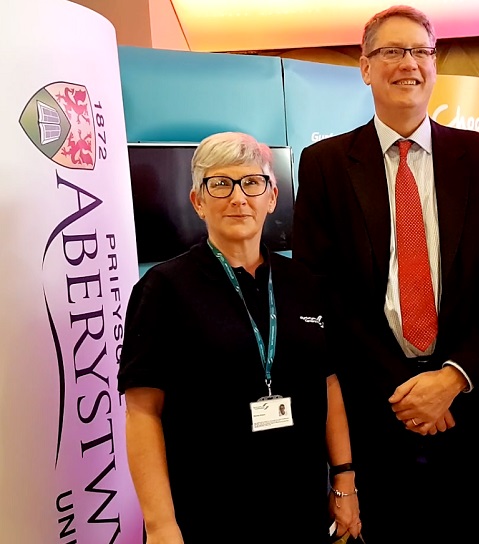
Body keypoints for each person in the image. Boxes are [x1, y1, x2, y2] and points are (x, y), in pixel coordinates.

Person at [292, 5, 479, 543]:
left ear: (434, 64)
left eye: (420, 51)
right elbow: (322, 290)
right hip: (375, 415)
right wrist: (406, 390)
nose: (408, 64)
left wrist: (451, 378)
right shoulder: (325, 164)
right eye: (392, 51)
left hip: (469, 409)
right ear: (365, 67)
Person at [118, 132, 361, 543]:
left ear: (271, 197)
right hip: (207, 515)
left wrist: (344, 480)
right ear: (198, 201)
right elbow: (142, 413)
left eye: (251, 183)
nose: (237, 198)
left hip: (298, 508)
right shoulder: (163, 289)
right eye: (220, 184)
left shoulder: (303, 283)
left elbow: (328, 382)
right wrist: (160, 525)